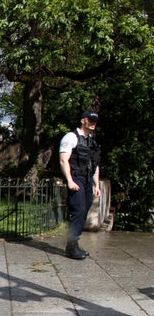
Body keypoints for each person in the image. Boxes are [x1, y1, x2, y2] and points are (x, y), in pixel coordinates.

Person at [59, 110, 101, 259]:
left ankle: (74, 243)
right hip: (76, 178)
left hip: (88, 179)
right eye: (90, 120)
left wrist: (96, 185)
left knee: (84, 211)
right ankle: (71, 247)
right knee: (78, 209)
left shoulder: (91, 140)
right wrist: (69, 180)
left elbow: (94, 164)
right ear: (83, 120)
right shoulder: (71, 137)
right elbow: (64, 160)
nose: (93, 123)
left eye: (95, 121)